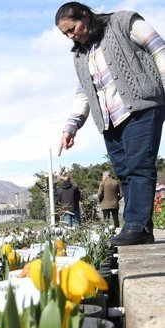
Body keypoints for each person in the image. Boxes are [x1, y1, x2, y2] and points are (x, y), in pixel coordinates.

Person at [55, 2, 165, 246]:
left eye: (72, 29)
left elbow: (158, 47)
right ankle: (139, 228)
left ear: (86, 15)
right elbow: (83, 90)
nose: (71, 36)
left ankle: (136, 226)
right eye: (66, 34)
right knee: (125, 173)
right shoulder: (80, 54)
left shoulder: (123, 22)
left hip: (142, 105)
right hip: (109, 119)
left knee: (139, 166)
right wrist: (70, 127)